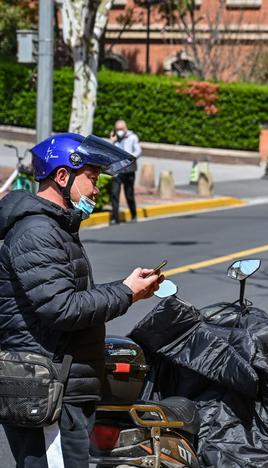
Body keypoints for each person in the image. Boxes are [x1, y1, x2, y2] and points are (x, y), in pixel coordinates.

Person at [0, 133, 164, 467]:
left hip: (62, 386)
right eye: (90, 178)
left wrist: (126, 289)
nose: (95, 188)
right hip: (46, 388)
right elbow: (61, 308)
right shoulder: (38, 232)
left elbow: (66, 296)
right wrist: (126, 292)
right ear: (62, 177)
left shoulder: (56, 228)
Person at [110, 120, 142, 224]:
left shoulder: (132, 137)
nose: (119, 131)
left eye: (121, 129)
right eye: (118, 129)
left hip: (128, 170)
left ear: (126, 128)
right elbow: (110, 151)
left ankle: (133, 215)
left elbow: (138, 150)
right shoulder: (115, 138)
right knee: (114, 194)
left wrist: (131, 157)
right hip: (117, 171)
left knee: (129, 194)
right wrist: (112, 141)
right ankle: (115, 217)